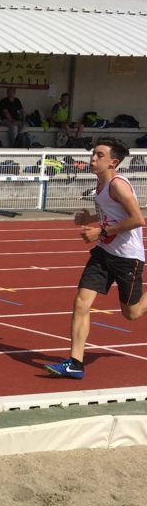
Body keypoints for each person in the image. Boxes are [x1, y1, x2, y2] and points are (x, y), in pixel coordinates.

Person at [45, 138, 147, 380]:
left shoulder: (118, 185)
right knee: (81, 303)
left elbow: (138, 220)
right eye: (93, 154)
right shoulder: (100, 184)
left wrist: (99, 232)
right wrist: (90, 218)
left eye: (100, 155)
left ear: (114, 162)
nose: (93, 158)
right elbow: (111, 215)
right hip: (103, 253)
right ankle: (75, 363)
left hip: (126, 258)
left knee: (131, 313)